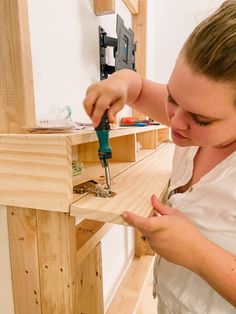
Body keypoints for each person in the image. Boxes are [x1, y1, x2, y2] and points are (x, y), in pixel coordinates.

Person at [83, 1, 236, 312]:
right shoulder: (191, 118)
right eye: (171, 97)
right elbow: (136, 88)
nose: (175, 123)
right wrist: (119, 83)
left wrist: (198, 254)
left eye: (201, 119)